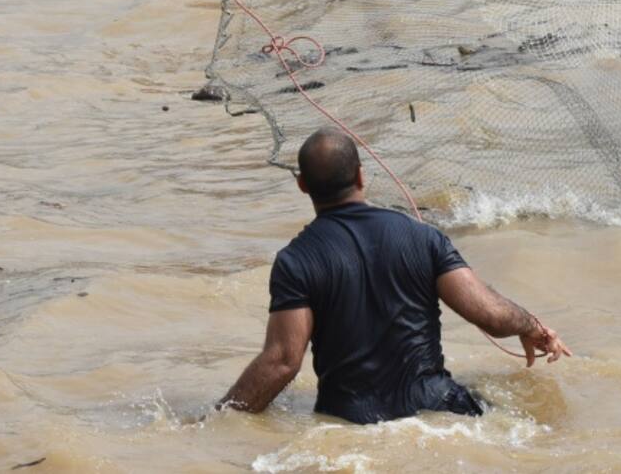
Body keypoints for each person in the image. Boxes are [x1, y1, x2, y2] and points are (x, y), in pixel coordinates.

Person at [218, 126, 571, 424]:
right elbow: (491, 316)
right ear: (360, 176)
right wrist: (532, 326)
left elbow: (282, 362)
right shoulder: (424, 237)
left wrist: (217, 420)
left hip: (350, 422)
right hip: (438, 409)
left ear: (302, 186)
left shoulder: (295, 261)